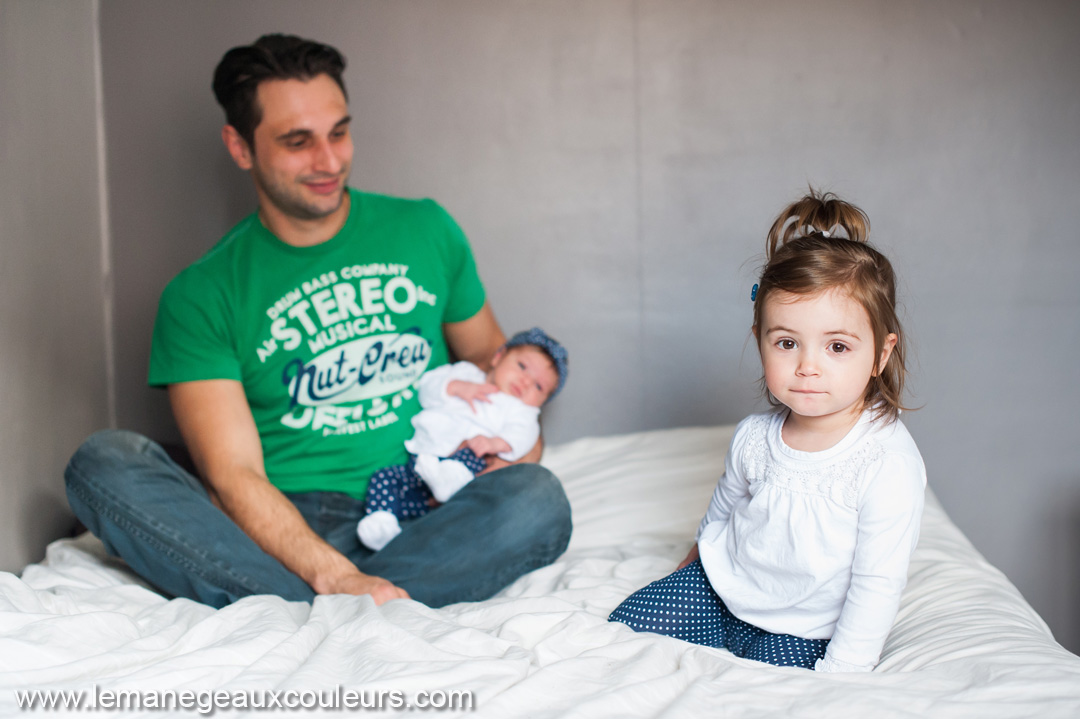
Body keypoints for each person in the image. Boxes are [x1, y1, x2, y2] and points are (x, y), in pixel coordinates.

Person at [63, 34, 572, 610]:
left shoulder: (427, 230)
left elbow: (502, 376)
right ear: (240, 146)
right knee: (103, 463)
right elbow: (233, 477)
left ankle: (284, 607)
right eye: (298, 142)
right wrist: (330, 570)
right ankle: (328, 598)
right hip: (285, 524)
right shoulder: (201, 294)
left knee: (537, 498)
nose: (329, 162)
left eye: (339, 133)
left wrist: (511, 450)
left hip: (426, 502)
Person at [608, 190, 926, 672]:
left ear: (881, 354)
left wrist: (843, 673)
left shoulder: (885, 462)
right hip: (723, 590)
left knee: (759, 690)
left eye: (837, 347)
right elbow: (721, 511)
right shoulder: (755, 437)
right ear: (759, 341)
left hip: (802, 625)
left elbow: (877, 582)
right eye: (786, 342)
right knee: (623, 631)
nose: (807, 367)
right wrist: (689, 570)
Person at [359, 327, 568, 550]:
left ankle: (449, 480)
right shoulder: (464, 374)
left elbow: (522, 437)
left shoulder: (522, 412)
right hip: (421, 463)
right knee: (384, 478)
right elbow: (427, 387)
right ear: (499, 357)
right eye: (522, 366)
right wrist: (457, 387)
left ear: (542, 401)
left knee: (474, 451)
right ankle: (381, 526)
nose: (525, 382)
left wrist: (493, 443)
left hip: (466, 464)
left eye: (538, 386)